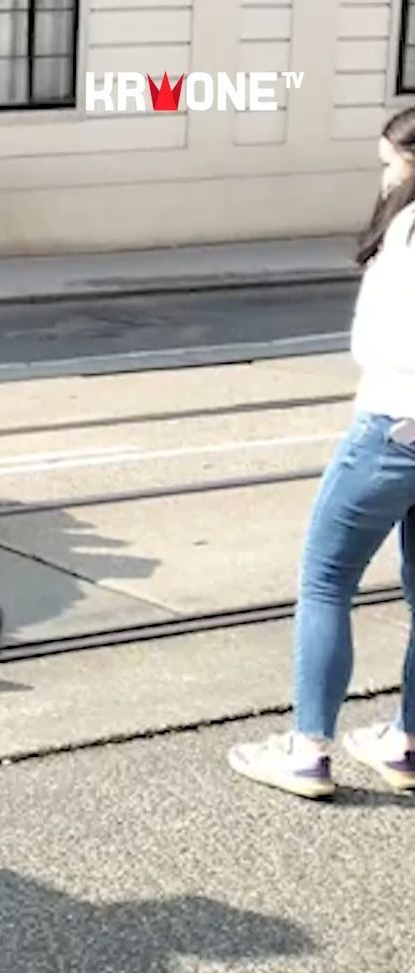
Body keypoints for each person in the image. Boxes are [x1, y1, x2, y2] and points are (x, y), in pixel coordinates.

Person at [227, 105, 415, 800]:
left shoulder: (407, 230)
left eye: (390, 164)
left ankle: (308, 752)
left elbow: (381, 343)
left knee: (326, 581)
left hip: (393, 429)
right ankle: (405, 742)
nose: (384, 177)